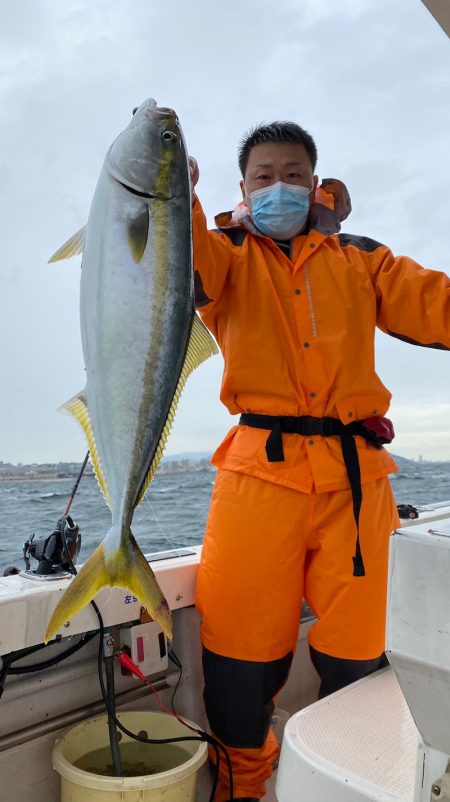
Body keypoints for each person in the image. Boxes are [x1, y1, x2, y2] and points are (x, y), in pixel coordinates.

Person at [189, 122, 450, 802]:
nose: (280, 186)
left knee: (360, 655)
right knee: (240, 660)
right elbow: (173, 268)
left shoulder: (361, 258)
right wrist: (173, 195)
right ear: (241, 188)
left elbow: (438, 306)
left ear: (316, 180)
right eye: (263, 175)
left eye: (294, 173)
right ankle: (241, 789)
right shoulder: (223, 256)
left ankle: (351, 779)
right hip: (255, 477)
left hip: (357, 480)